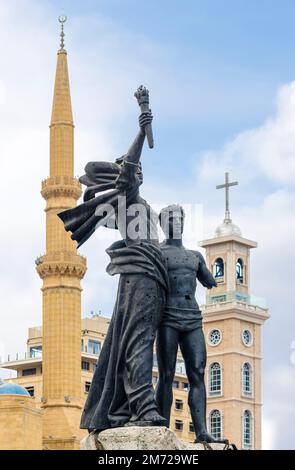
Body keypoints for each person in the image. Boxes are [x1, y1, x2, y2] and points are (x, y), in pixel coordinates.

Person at [58, 110, 168, 432]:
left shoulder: (139, 203)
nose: (138, 173)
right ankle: (144, 407)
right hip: (141, 272)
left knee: (133, 339)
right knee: (138, 339)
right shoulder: (128, 194)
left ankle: (125, 406)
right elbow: (129, 171)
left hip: (149, 273)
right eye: (134, 170)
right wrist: (140, 131)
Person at [156, 204, 227, 443]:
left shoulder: (194, 256)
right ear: (163, 224)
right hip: (168, 317)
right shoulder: (157, 252)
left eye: (180, 219)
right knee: (166, 374)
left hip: (192, 318)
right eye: (172, 219)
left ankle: (202, 431)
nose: (177, 223)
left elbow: (209, 281)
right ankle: (162, 428)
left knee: (197, 373)